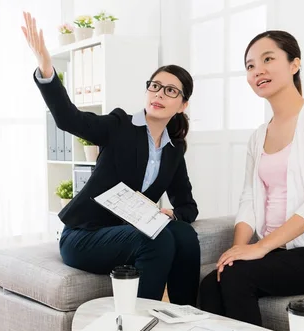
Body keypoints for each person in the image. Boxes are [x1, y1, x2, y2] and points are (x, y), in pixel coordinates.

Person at [21, 12, 200, 305]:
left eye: (170, 91)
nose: (159, 93)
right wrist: (46, 68)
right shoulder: (119, 125)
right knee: (155, 237)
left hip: (125, 235)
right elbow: (69, 119)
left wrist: (172, 214)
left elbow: (187, 205)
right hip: (84, 236)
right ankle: (140, 321)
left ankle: (186, 314)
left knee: (184, 235)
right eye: (154, 86)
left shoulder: (173, 149)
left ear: (183, 105)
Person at [198, 30, 304, 326]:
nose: (257, 70)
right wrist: (237, 250)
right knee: (212, 283)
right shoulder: (258, 135)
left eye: (267, 59)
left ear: (294, 64)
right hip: (281, 253)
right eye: (249, 66)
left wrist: (261, 247)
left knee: (236, 277)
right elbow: (249, 198)